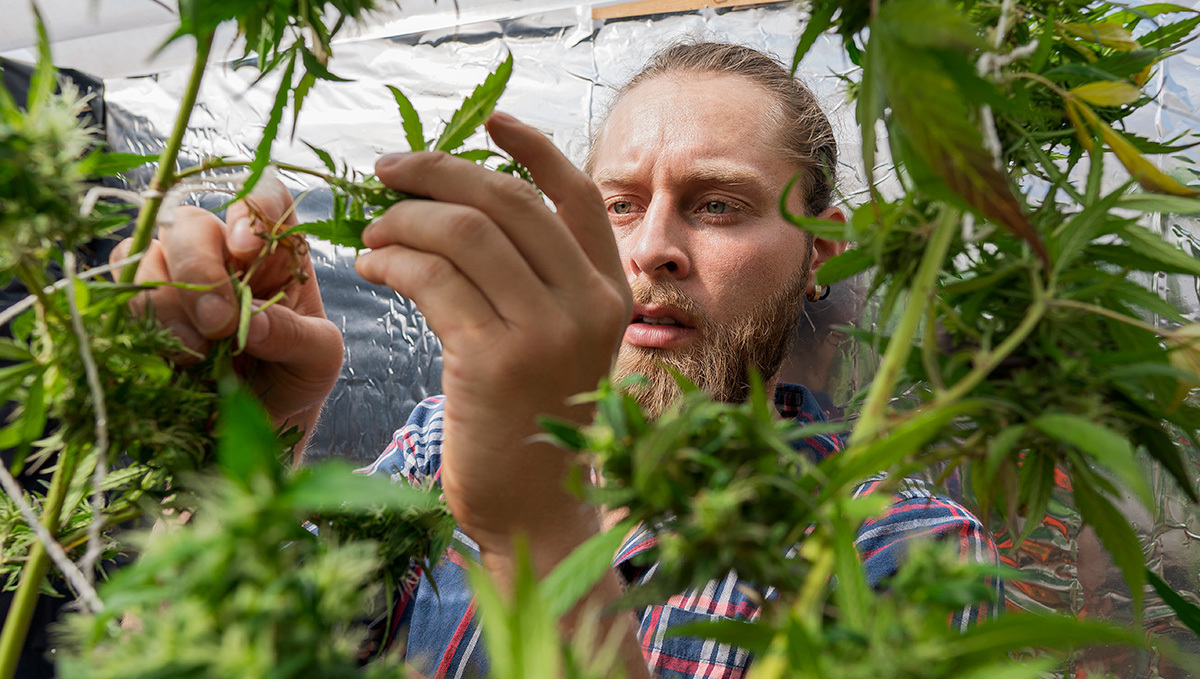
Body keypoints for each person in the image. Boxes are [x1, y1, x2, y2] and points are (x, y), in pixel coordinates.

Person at [115, 41, 1000, 679]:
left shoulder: (901, 549)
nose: (652, 248)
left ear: (820, 254)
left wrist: (539, 532)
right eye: (617, 205)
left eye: (719, 205)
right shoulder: (435, 450)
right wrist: (240, 434)